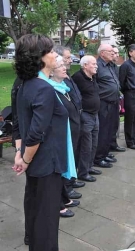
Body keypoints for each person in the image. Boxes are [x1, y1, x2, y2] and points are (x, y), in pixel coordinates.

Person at [12, 33, 70, 251]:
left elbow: (21, 124)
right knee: (46, 217)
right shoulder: (43, 89)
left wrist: (20, 154)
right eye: (50, 51)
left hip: (38, 161)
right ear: (39, 58)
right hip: (46, 162)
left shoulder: (26, 84)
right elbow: (35, 132)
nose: (55, 54)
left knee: (39, 213)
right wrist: (24, 158)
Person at [50, 56, 82, 218]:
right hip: (60, 138)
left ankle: (64, 196)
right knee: (60, 170)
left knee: (67, 166)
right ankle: (59, 203)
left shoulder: (63, 87)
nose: (65, 67)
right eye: (61, 65)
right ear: (51, 71)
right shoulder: (51, 89)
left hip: (71, 134)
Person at [53, 45, 85, 199]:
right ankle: (67, 187)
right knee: (67, 156)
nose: (69, 61)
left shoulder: (66, 78)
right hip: (66, 126)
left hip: (75, 120)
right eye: (66, 58)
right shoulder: (52, 86)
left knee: (75, 153)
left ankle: (71, 180)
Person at [72, 55, 100, 183]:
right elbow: (74, 98)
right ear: (85, 66)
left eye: (96, 64)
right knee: (85, 146)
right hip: (86, 115)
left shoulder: (92, 77)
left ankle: (89, 166)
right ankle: (82, 172)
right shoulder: (77, 78)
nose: (96, 66)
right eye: (93, 64)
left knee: (93, 144)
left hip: (95, 115)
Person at [94, 44, 120, 167]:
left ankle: (105, 153)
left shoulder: (110, 66)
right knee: (103, 131)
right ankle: (98, 158)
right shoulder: (97, 66)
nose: (112, 53)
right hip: (103, 103)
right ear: (102, 53)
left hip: (114, 102)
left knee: (110, 130)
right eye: (110, 51)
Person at [119, 44, 135, 149]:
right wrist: (128, 91)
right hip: (131, 94)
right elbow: (121, 82)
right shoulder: (125, 65)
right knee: (130, 118)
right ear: (130, 53)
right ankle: (129, 141)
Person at [109, 45, 126, 152]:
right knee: (108, 125)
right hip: (107, 101)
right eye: (114, 53)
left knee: (115, 123)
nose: (116, 55)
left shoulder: (115, 67)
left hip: (116, 98)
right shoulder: (106, 66)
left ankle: (113, 144)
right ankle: (108, 147)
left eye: (117, 53)